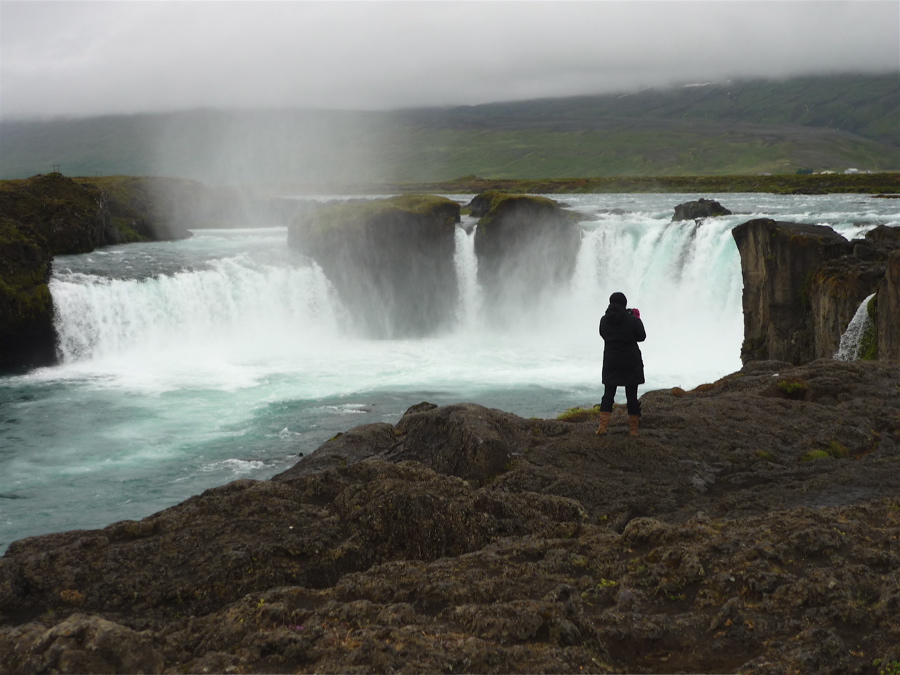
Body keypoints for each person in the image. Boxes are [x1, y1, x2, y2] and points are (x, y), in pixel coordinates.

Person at [596, 292, 646, 437]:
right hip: (631, 361)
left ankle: (602, 427)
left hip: (611, 361)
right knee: (631, 396)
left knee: (608, 395)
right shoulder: (632, 320)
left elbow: (603, 334)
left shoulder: (604, 320)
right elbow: (641, 337)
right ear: (624, 304)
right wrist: (636, 319)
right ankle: (633, 430)